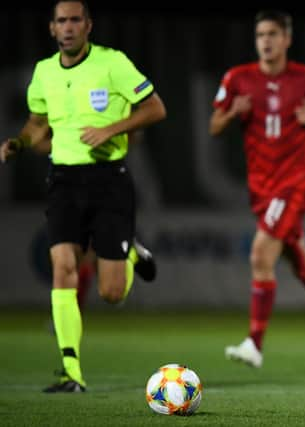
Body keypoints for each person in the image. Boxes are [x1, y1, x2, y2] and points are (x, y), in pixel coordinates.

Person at [0, 0, 165, 392]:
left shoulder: (113, 63)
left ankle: (128, 253)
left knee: (111, 293)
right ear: (52, 29)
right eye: (62, 21)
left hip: (110, 180)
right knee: (63, 269)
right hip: (63, 180)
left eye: (76, 20)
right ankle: (71, 371)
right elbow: (38, 122)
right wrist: (20, 143)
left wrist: (113, 130)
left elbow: (155, 108)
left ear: (88, 26)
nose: (69, 27)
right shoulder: (43, 73)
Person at [209, 10, 305, 368]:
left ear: (286, 39)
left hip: (294, 184)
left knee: (261, 255)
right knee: (301, 266)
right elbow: (215, 126)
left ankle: (254, 344)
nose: (265, 40)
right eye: (261, 34)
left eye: (273, 34)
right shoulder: (237, 78)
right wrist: (233, 112)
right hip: (260, 188)